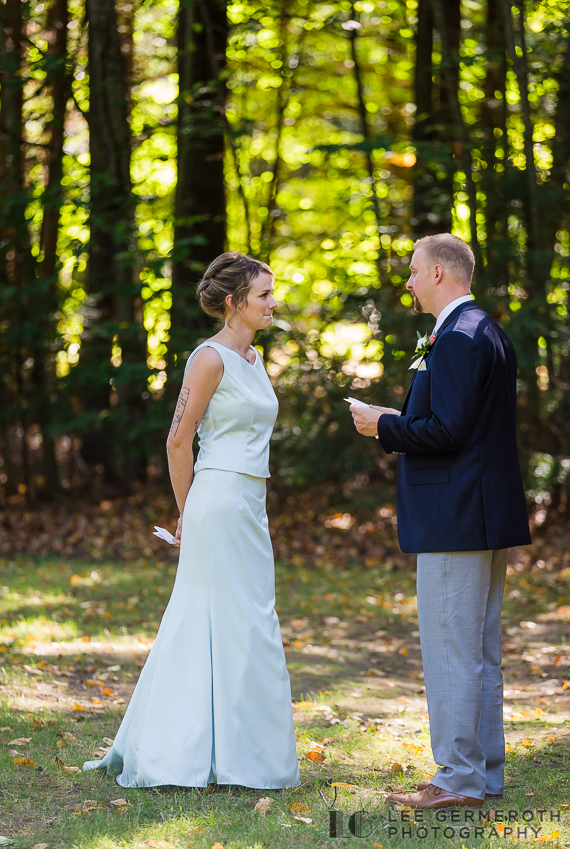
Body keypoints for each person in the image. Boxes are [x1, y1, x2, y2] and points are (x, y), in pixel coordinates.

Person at [83, 251, 300, 789]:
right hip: (218, 500)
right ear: (233, 303)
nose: (273, 303)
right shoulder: (209, 358)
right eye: (263, 295)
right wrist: (186, 511)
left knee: (246, 620)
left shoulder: (253, 360)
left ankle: (238, 753)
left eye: (272, 293)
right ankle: (180, 754)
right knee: (221, 618)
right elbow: (179, 440)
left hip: (250, 501)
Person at [350, 233, 530, 810]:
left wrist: (384, 425)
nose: (406, 282)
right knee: (478, 650)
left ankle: (456, 777)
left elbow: (447, 431)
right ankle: (483, 774)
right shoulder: (487, 330)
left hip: (455, 514)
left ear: (437, 274)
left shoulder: (456, 337)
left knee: (453, 650)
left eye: (411, 272)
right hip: (481, 511)